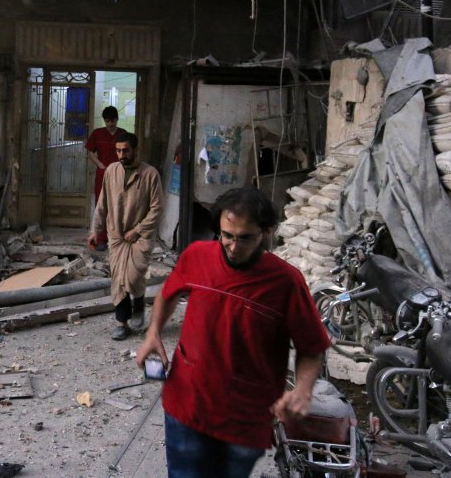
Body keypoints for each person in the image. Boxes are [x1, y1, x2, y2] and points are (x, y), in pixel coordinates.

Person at [135, 186, 330, 478]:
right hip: (188, 405)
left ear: (266, 232)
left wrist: (303, 390)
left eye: (245, 238)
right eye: (227, 235)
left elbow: (312, 347)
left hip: (245, 419)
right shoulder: (196, 256)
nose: (233, 246)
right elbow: (168, 293)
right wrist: (153, 333)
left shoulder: (286, 283)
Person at [88, 132, 162, 340]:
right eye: (118, 150)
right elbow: (102, 204)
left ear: (136, 150)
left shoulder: (150, 174)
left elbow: (156, 209)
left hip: (141, 236)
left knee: (134, 276)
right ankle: (122, 322)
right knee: (118, 279)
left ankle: (138, 307)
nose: (121, 154)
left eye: (125, 150)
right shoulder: (111, 171)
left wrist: (138, 229)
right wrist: (95, 230)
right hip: (117, 236)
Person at [84, 106, 128, 250]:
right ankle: (101, 239)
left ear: (117, 119)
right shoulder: (98, 133)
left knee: (119, 205)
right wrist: (99, 164)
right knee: (101, 205)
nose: (110, 124)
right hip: (102, 174)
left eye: (113, 121)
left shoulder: (123, 134)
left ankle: (116, 238)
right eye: (107, 121)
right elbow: (90, 151)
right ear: (104, 120)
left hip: (120, 174)